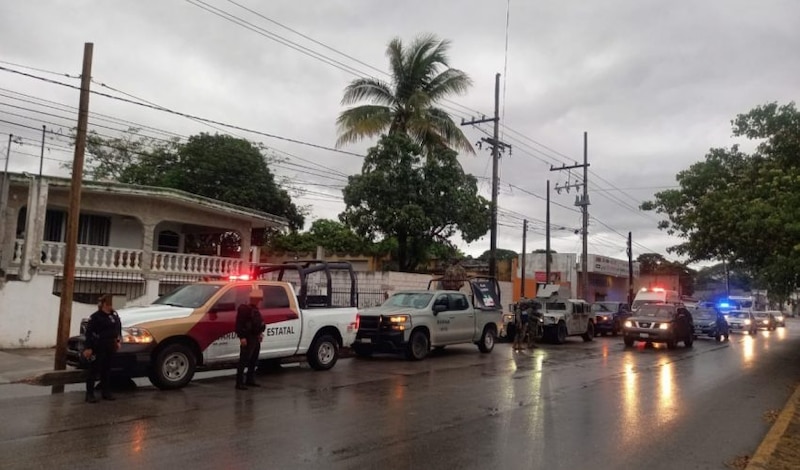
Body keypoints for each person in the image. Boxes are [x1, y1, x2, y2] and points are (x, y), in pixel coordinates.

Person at [82, 294, 122, 403]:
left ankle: (106, 392)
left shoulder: (114, 316)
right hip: (98, 346)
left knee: (107, 369)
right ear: (105, 304)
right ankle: (89, 394)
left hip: (110, 345)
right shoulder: (95, 317)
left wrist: (118, 341)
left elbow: (118, 330)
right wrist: (88, 348)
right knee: (94, 370)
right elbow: (89, 333)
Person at [235, 286, 266, 390]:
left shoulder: (255, 309)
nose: (260, 302)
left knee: (253, 360)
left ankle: (250, 379)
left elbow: (257, 324)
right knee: (244, 360)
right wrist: (242, 337)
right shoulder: (244, 309)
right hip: (248, 337)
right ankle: (239, 382)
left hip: (255, 337)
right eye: (259, 300)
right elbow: (239, 325)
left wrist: (260, 333)